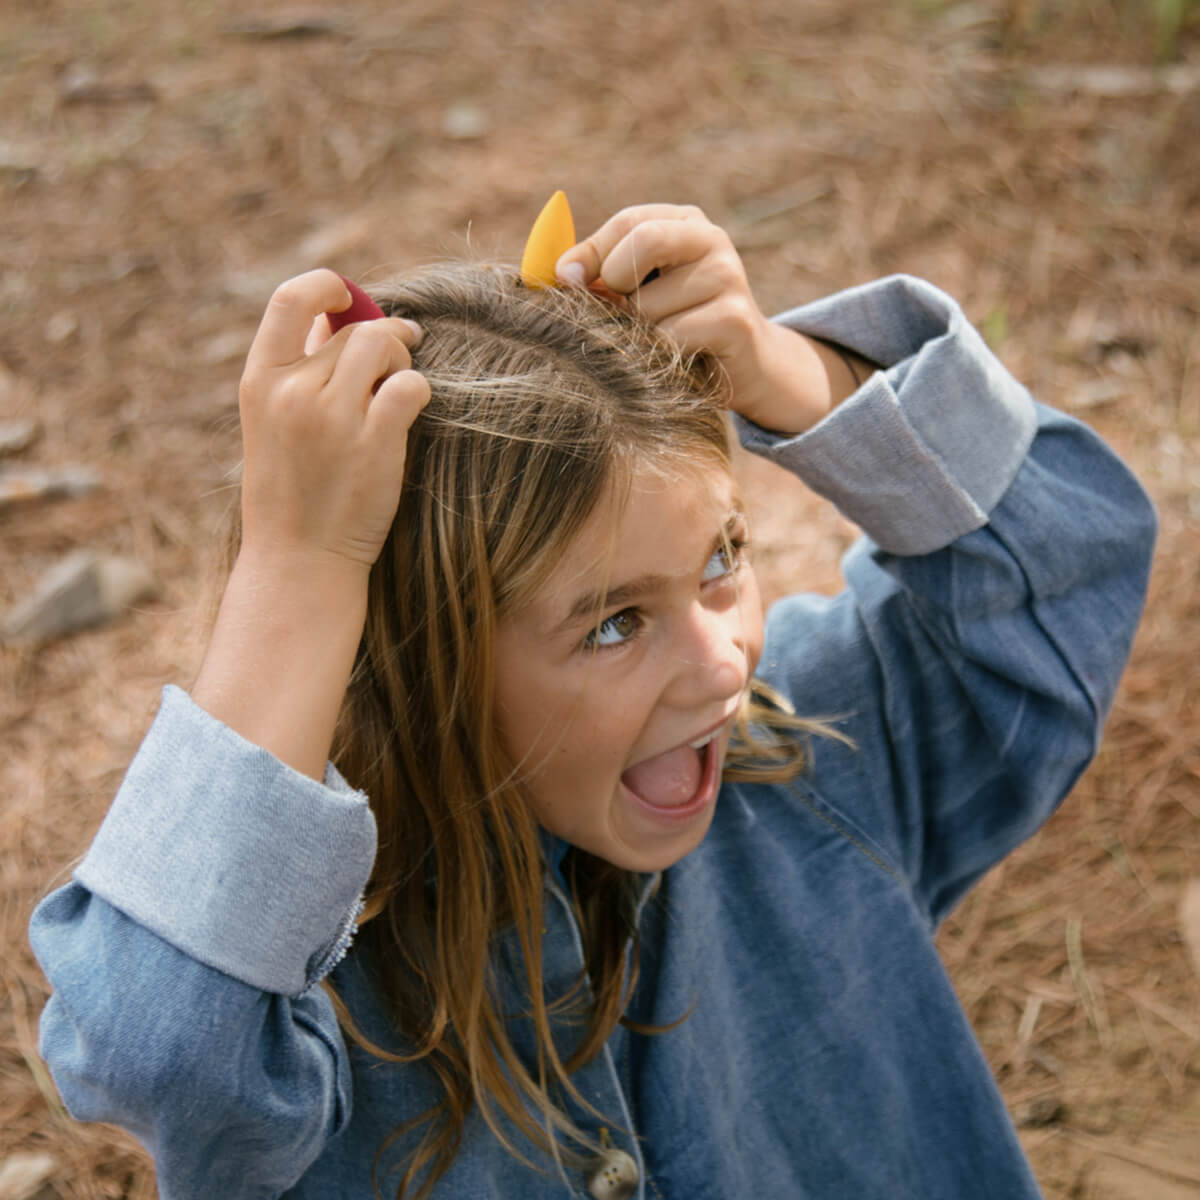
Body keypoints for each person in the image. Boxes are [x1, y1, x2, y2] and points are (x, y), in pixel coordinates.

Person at [29, 203, 1155, 1200]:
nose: (722, 664)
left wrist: (788, 370)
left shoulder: (801, 757)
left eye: (722, 559)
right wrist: (300, 568)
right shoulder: (297, 999)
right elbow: (158, 1051)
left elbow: (1071, 556)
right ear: (423, 663)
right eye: (614, 622)